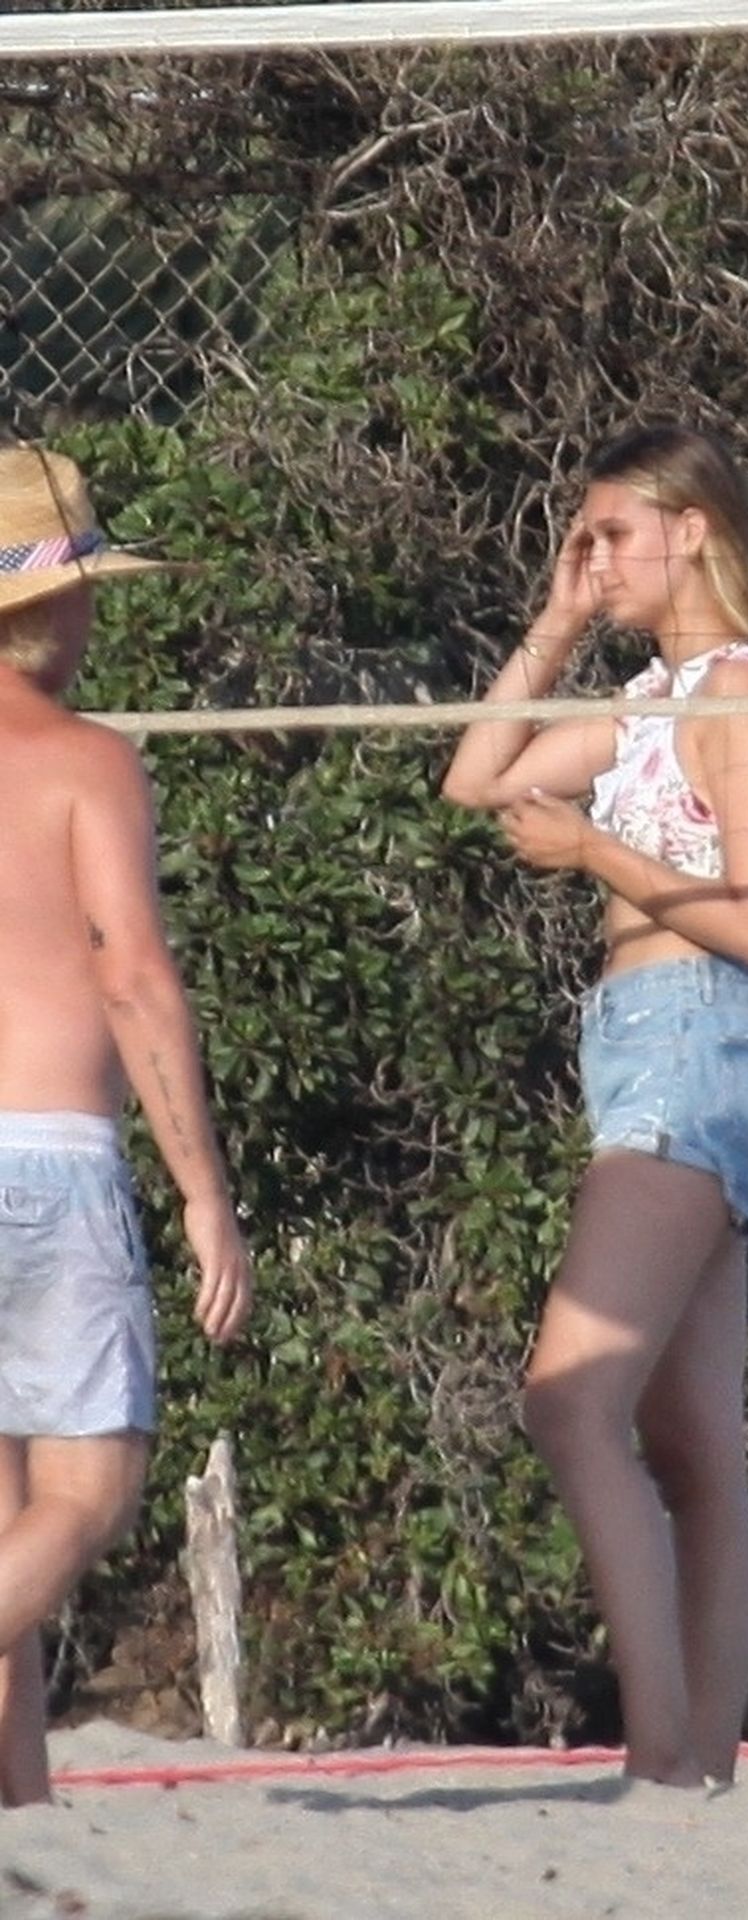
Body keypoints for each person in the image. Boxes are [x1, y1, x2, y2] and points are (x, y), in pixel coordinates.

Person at [443, 424, 748, 1786]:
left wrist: (597, 849)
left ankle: (658, 1753)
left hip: (696, 1042)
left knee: (569, 1401)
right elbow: (476, 778)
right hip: (653, 1044)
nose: (594, 560)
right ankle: (697, 1763)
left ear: (693, 530)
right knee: (689, 1441)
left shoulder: (743, 690)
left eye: (612, 536)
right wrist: (553, 623)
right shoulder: (658, 695)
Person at [0, 445, 252, 1805]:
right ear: (49, 607)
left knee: (7, 1530)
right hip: (45, 1156)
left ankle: (20, 1807)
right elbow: (133, 974)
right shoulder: (84, 761)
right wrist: (203, 1189)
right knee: (88, 1494)